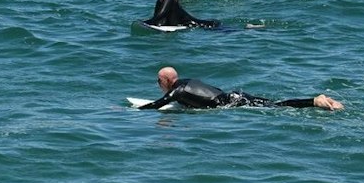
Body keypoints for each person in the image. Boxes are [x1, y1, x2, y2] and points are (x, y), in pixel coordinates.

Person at [135, 67, 341, 111]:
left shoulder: (176, 92)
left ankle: (315, 101)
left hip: (232, 103)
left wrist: (130, 112)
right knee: (274, 103)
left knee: (278, 107)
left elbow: (156, 105)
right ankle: (316, 100)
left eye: (158, 81)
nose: (158, 85)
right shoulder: (187, 81)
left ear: (166, 81)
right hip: (234, 95)